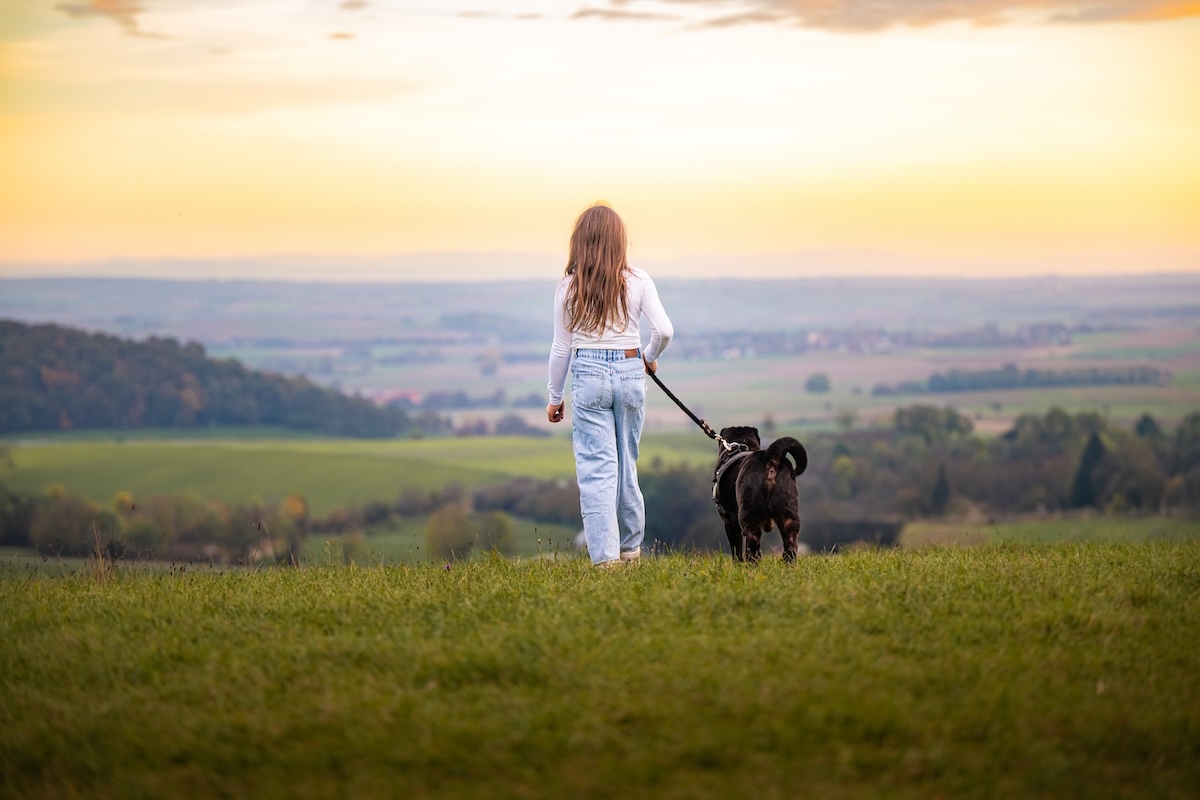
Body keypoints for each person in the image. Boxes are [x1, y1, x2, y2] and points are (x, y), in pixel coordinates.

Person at [547, 202, 673, 567]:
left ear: (580, 242)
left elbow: (561, 347)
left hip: (588, 376)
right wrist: (649, 356)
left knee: (597, 469)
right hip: (632, 371)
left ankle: (606, 563)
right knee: (626, 464)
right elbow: (664, 331)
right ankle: (632, 550)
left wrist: (555, 396)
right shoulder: (639, 280)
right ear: (620, 241)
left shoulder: (568, 287)